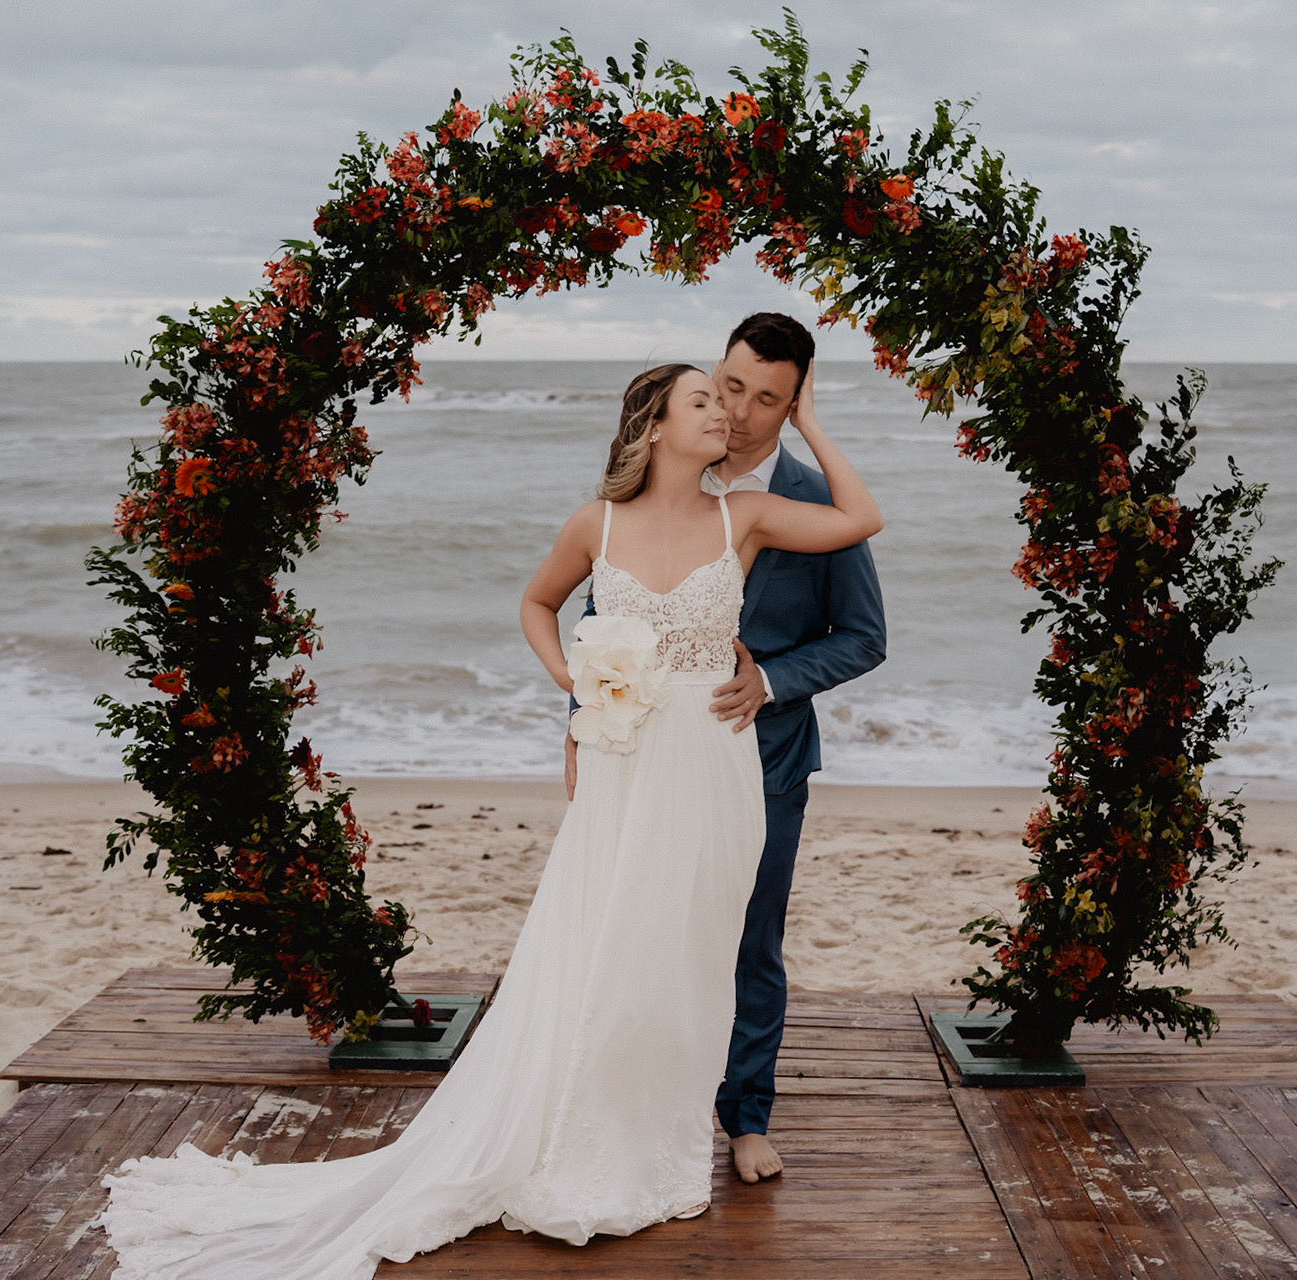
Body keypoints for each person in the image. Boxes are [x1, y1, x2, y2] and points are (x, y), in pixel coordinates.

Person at [92, 361, 883, 1279]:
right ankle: (582, 1140)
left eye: (730, 401)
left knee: (690, 956)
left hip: (714, 765)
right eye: (704, 401)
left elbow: (860, 520)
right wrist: (575, 680)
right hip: (626, 761)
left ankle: (658, 1139)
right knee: (609, 946)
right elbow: (538, 604)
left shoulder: (741, 517)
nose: (727, 416)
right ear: (656, 427)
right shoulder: (598, 522)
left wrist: (816, 423)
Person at [568, 312, 887, 1184]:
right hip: (639, 751)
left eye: (768, 399)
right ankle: (634, 1108)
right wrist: (580, 716)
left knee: (749, 940)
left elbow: (863, 637)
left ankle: (745, 1117)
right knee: (635, 928)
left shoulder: (812, 500)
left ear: (793, 406)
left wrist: (772, 680)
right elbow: (603, 615)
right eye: (731, 385)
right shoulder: (657, 474)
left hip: (762, 757)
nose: (741, 412)